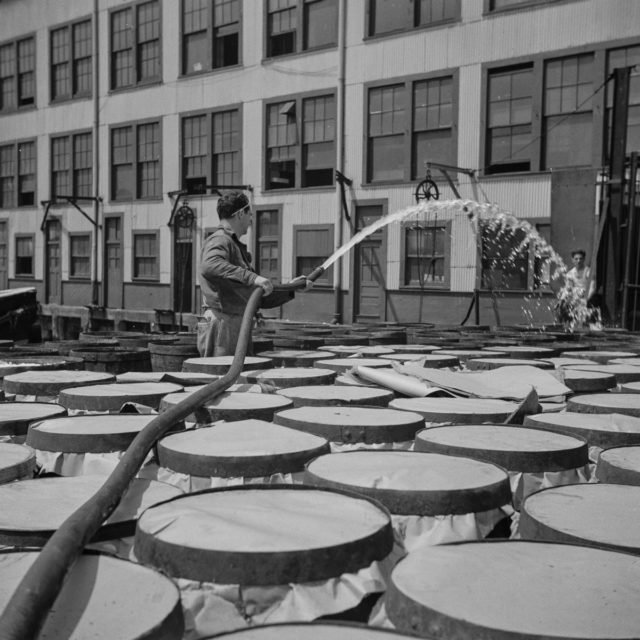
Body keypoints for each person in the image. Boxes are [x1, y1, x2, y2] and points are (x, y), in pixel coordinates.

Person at [198, 191, 273, 357]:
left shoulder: (231, 243)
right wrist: (253, 277)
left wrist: (295, 286)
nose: (251, 220)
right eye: (250, 215)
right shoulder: (221, 240)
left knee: (235, 378)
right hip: (223, 324)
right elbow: (210, 265)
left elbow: (255, 289)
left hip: (232, 323)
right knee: (222, 377)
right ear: (240, 214)